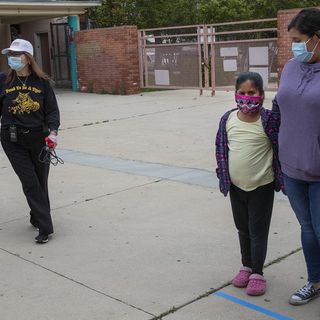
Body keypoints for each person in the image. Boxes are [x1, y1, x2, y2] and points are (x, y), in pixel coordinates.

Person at [215, 72, 283, 296]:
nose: (246, 97)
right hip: (235, 186)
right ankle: (246, 265)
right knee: (242, 228)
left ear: (261, 95)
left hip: (261, 185)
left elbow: (280, 146)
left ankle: (257, 273)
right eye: (242, 93)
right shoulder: (228, 119)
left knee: (258, 231)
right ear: (235, 94)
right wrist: (223, 175)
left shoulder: (269, 119)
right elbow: (221, 150)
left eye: (251, 93)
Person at [272, 8, 320, 305]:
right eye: (291, 41)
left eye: (299, 39)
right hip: (291, 168)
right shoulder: (290, 67)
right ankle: (315, 281)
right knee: (307, 229)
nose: (294, 46)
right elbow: (280, 109)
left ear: (317, 37)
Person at [0, 39, 60, 244]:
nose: (12, 58)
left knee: (40, 181)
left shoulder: (42, 82)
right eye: (10, 55)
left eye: (16, 55)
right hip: (11, 139)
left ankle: (36, 216)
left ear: (27, 58)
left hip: (39, 138)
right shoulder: (4, 80)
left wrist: (53, 133)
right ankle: (45, 227)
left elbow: (51, 110)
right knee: (30, 182)